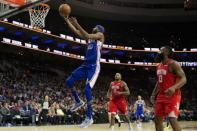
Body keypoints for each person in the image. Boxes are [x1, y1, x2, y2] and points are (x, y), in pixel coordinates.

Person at [64, 16, 105, 128]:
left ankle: (89, 117)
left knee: (87, 89)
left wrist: (77, 23)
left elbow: (86, 34)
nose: (93, 27)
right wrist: (67, 20)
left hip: (93, 67)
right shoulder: (91, 39)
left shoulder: (100, 36)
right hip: (85, 65)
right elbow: (77, 32)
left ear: (99, 29)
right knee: (69, 81)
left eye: (95, 26)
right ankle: (78, 101)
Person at [150, 46, 187, 131]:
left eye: (160, 50)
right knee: (157, 120)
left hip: (172, 95)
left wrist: (174, 87)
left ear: (166, 52)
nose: (158, 52)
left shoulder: (173, 64)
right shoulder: (158, 65)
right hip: (161, 95)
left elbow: (184, 78)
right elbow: (159, 82)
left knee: (172, 119)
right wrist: (153, 94)